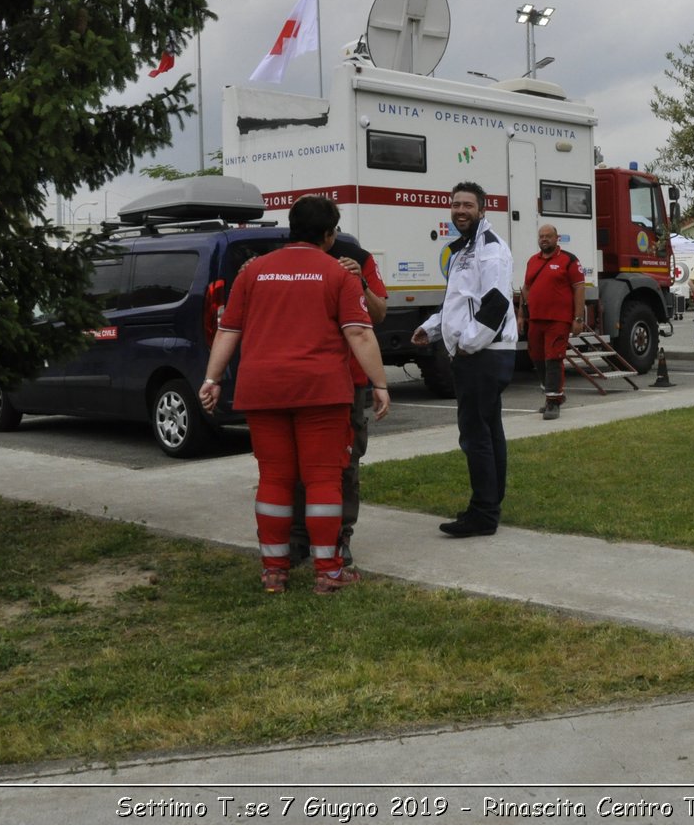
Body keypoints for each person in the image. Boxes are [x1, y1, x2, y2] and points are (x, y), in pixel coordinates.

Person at [200, 196, 391, 595]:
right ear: (328, 234)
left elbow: (229, 330)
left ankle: (274, 571)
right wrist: (380, 383)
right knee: (323, 479)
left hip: (262, 388)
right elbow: (358, 332)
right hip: (320, 390)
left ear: (290, 227)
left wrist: (212, 378)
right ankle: (328, 571)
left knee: (273, 478)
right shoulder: (337, 273)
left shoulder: (253, 271)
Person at [412, 182, 516, 537]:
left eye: (468, 205)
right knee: (488, 431)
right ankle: (489, 504)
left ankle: (483, 513)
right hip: (479, 353)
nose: (460, 210)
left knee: (475, 435)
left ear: (482, 210)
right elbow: (460, 301)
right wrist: (433, 328)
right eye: (455, 204)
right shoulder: (463, 250)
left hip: (484, 355)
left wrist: (467, 343)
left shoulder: (490, 250)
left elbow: (496, 304)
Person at [286, 238, 387, 571]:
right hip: (303, 378)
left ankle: (340, 536)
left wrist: (360, 281)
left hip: (349, 382)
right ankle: (299, 538)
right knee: (297, 463)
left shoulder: (356, 256)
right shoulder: (288, 258)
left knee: (345, 463)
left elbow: (379, 314)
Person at [522, 223, 585, 420]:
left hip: (558, 320)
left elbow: (579, 288)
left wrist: (578, 318)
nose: (544, 239)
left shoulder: (569, 260)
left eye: (548, 236)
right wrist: (521, 315)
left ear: (557, 238)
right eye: (541, 236)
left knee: (553, 359)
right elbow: (526, 289)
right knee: (537, 358)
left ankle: (553, 402)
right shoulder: (532, 261)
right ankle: (553, 395)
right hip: (535, 319)